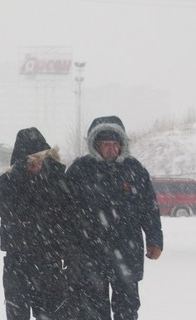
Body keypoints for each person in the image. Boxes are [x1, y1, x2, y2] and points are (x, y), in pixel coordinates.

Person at [66, 115, 163, 320]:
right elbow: (67, 212)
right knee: (92, 311)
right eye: (106, 144)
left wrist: (155, 240)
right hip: (90, 253)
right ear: (96, 145)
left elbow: (149, 208)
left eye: (115, 144)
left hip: (126, 252)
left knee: (127, 309)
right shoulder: (80, 170)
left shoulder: (134, 169)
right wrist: (67, 247)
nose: (112, 149)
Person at [0, 127, 73, 320]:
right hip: (17, 264)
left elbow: (71, 218)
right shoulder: (10, 183)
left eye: (40, 160)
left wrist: (68, 251)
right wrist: (16, 176)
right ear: (20, 162)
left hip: (51, 264)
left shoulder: (58, 180)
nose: (36, 166)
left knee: (54, 315)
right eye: (30, 161)